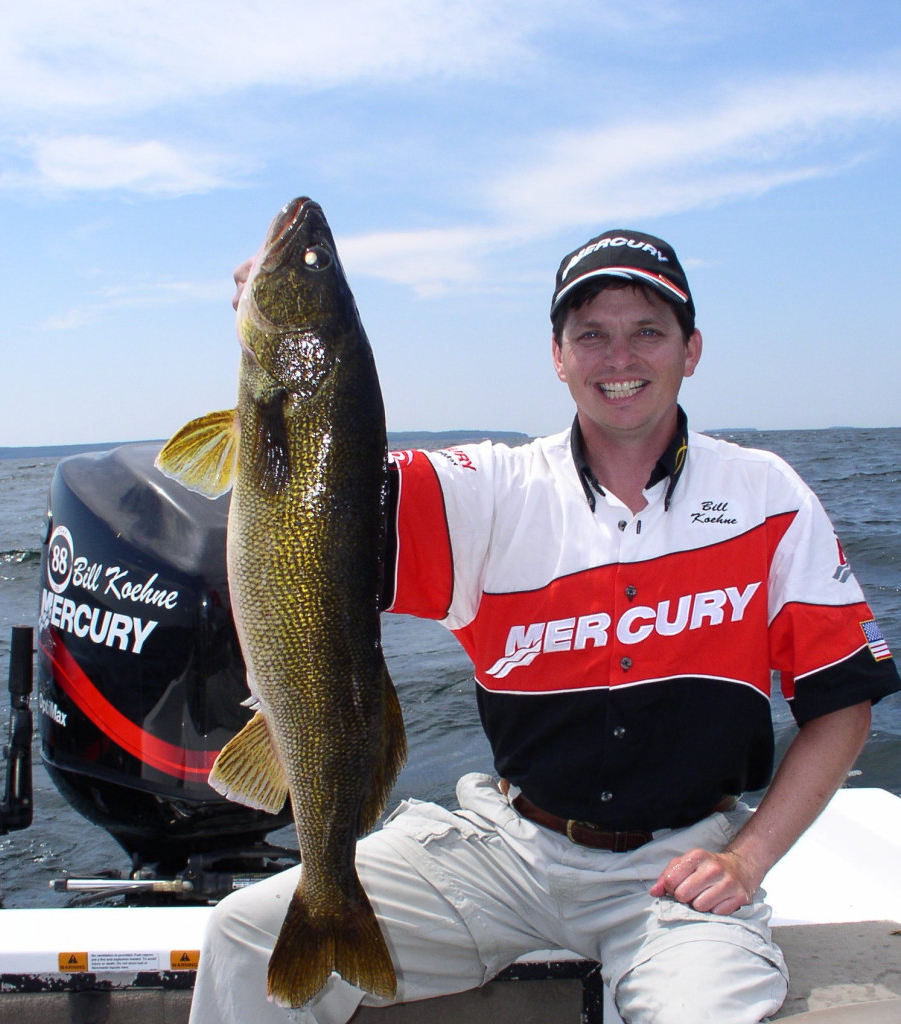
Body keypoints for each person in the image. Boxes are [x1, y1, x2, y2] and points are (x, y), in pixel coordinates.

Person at [190, 230, 900, 1024]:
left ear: (691, 350)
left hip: (682, 861)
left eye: (648, 332)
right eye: (590, 334)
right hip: (503, 851)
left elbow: (844, 703)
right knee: (244, 937)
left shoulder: (768, 497)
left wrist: (748, 857)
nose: (619, 357)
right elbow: (328, 486)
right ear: (557, 357)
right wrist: (288, 341)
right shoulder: (489, 490)